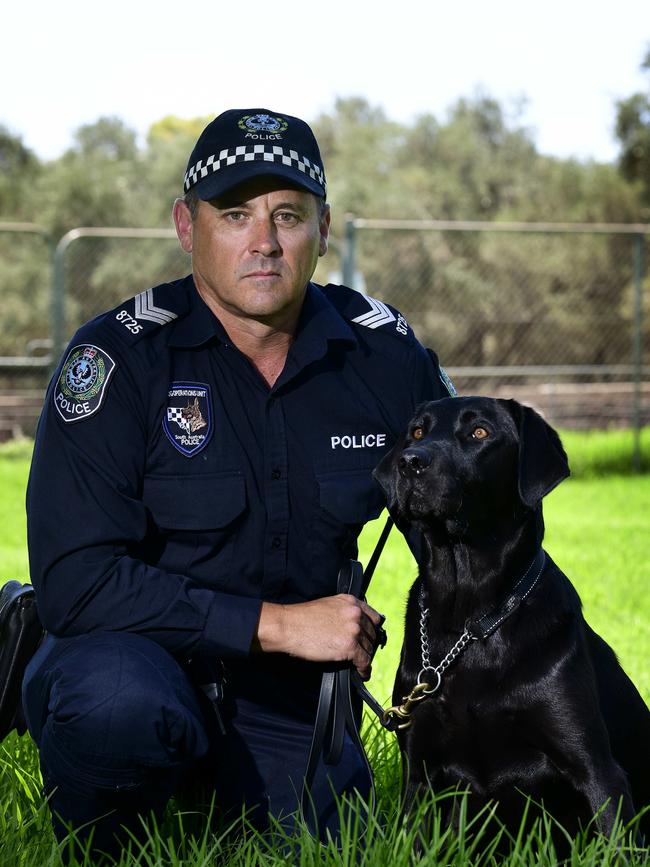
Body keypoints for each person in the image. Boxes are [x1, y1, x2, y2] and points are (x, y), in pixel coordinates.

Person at [23, 108, 454, 857]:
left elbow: (466, 531)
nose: (264, 241)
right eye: (235, 214)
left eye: (288, 214)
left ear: (323, 229)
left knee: (329, 838)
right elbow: (77, 581)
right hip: (129, 655)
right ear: (188, 227)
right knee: (116, 709)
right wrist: (284, 624)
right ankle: (34, 673)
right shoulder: (119, 359)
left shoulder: (386, 358)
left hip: (284, 689)